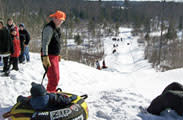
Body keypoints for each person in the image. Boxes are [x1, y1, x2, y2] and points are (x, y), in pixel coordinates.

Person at [41, 10, 66, 93]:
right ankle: (49, 96)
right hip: (48, 56)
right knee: (53, 78)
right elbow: (45, 43)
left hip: (54, 56)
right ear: (54, 18)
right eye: (59, 20)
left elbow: (56, 42)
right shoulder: (49, 28)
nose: (60, 22)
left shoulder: (57, 28)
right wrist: (45, 57)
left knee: (57, 77)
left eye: (62, 21)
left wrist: (58, 54)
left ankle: (51, 92)